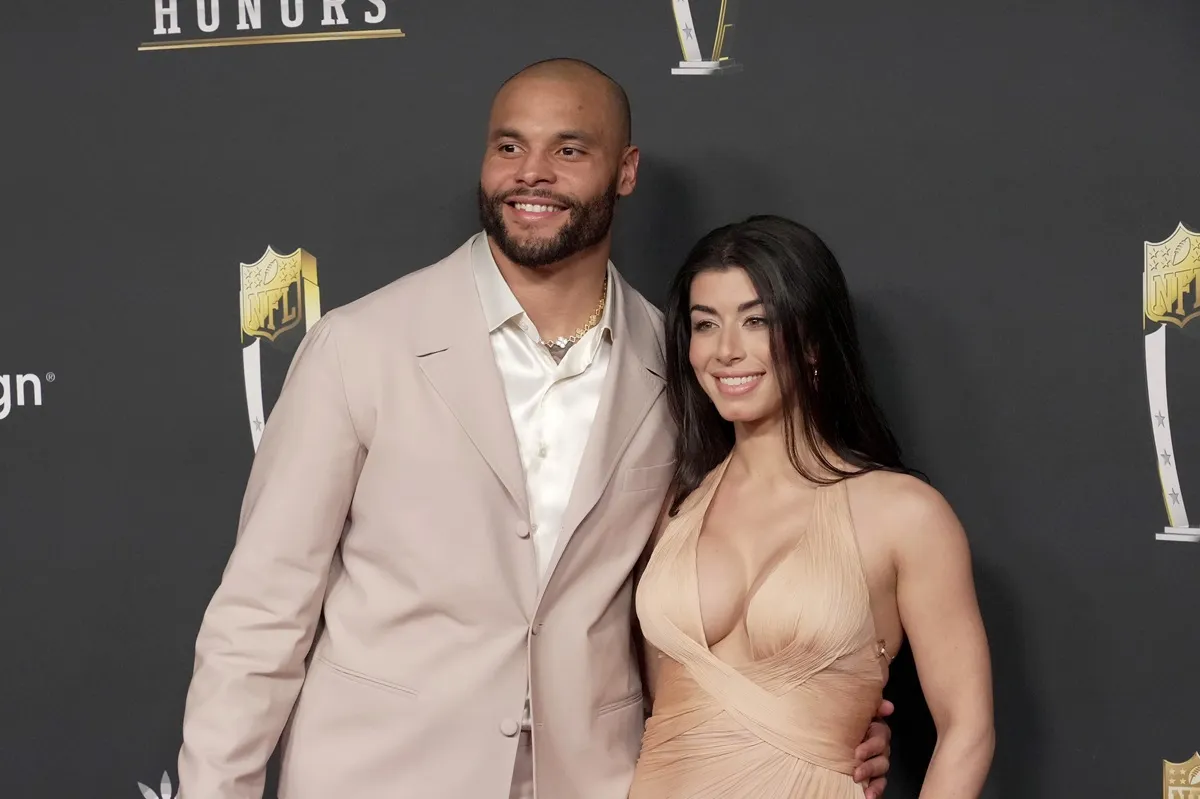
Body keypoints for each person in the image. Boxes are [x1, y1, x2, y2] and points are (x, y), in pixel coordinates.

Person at [175, 60, 895, 799]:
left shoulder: (683, 364)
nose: (532, 174)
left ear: (626, 170)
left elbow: (710, 591)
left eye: (570, 150)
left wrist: (817, 718)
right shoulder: (362, 345)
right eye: (509, 147)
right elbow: (261, 614)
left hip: (596, 779)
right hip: (376, 775)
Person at [628, 215, 995, 797]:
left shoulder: (905, 515)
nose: (726, 350)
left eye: (757, 321)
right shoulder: (668, 509)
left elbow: (967, 730)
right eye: (705, 325)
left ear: (814, 339)